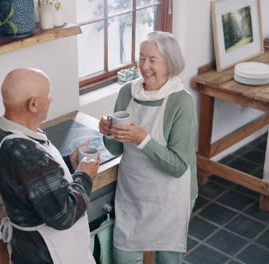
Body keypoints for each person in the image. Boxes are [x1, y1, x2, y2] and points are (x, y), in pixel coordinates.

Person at [99, 31, 198, 264]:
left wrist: (142, 138)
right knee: (123, 257)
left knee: (167, 260)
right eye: (141, 58)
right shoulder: (127, 92)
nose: (144, 66)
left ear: (170, 63)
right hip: (133, 192)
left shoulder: (181, 101)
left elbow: (178, 166)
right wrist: (108, 133)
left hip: (171, 198)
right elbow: (115, 149)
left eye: (153, 60)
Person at [0, 68, 99, 264]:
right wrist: (85, 175)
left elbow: (31, 181)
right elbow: (64, 216)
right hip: (48, 254)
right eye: (48, 94)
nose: (50, 99)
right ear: (33, 104)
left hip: (26, 248)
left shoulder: (2, 127)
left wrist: (68, 163)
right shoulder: (27, 153)